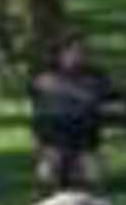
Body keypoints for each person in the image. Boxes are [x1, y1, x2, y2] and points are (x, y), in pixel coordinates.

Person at [28, 38, 117, 188]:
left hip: (85, 142)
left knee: (93, 177)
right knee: (48, 175)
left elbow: (107, 99)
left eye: (82, 52)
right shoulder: (45, 78)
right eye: (73, 51)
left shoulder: (95, 78)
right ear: (60, 54)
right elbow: (40, 115)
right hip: (54, 142)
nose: (78, 56)